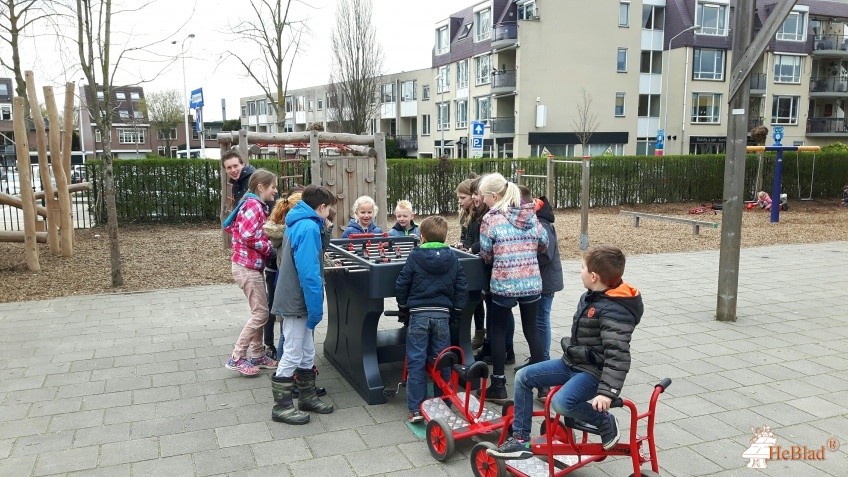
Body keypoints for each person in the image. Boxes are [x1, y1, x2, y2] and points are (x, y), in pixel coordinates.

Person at [488, 245, 643, 460]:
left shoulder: (615, 310)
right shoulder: (591, 296)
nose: (580, 272)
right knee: (524, 377)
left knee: (561, 402)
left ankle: (604, 421)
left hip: (593, 373)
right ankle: (521, 440)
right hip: (572, 362)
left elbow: (618, 355)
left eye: (582, 268)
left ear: (594, 276)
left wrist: (607, 393)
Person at [477, 173, 547, 402]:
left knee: (497, 331)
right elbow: (544, 242)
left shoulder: (491, 218)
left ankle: (498, 384)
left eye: (483, 196)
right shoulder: (529, 214)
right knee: (531, 330)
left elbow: (486, 254)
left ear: (494, 196)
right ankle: (542, 384)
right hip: (532, 282)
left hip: (504, 284)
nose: (482, 199)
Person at [270, 185, 337, 425]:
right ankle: (282, 406)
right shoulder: (308, 227)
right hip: (297, 300)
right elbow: (309, 273)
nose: (329, 214)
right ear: (321, 207)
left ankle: (307, 396)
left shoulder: (301, 222)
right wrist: (316, 308)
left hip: (295, 298)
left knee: (307, 349)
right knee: (293, 350)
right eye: (328, 209)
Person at [395, 216, 468, 423]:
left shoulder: (415, 256)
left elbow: (402, 283)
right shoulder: (452, 257)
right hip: (442, 315)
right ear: (444, 237)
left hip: (419, 314)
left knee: (416, 361)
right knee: (441, 360)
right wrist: (457, 310)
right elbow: (461, 285)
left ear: (422, 236)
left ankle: (416, 409)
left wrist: (403, 306)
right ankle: (443, 404)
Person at [222, 168, 279, 376]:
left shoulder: (252, 203)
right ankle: (237, 357)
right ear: (261, 187)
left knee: (258, 311)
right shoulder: (254, 205)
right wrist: (270, 249)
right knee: (261, 313)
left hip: (248, 266)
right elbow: (248, 236)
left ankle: (257, 354)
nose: (275, 190)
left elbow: (241, 231)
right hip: (246, 268)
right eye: (273, 186)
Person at [516, 186, 563, 402]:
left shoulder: (542, 223)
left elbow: (546, 254)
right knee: (536, 322)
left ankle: (543, 363)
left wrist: (523, 258)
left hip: (544, 282)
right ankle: (539, 360)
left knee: (541, 321)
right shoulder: (535, 219)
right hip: (538, 280)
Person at [263, 189, 304, 360]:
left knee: (283, 324)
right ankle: (282, 364)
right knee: (284, 325)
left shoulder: (282, 230)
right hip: (281, 276)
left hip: (279, 274)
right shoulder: (290, 232)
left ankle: (280, 358)